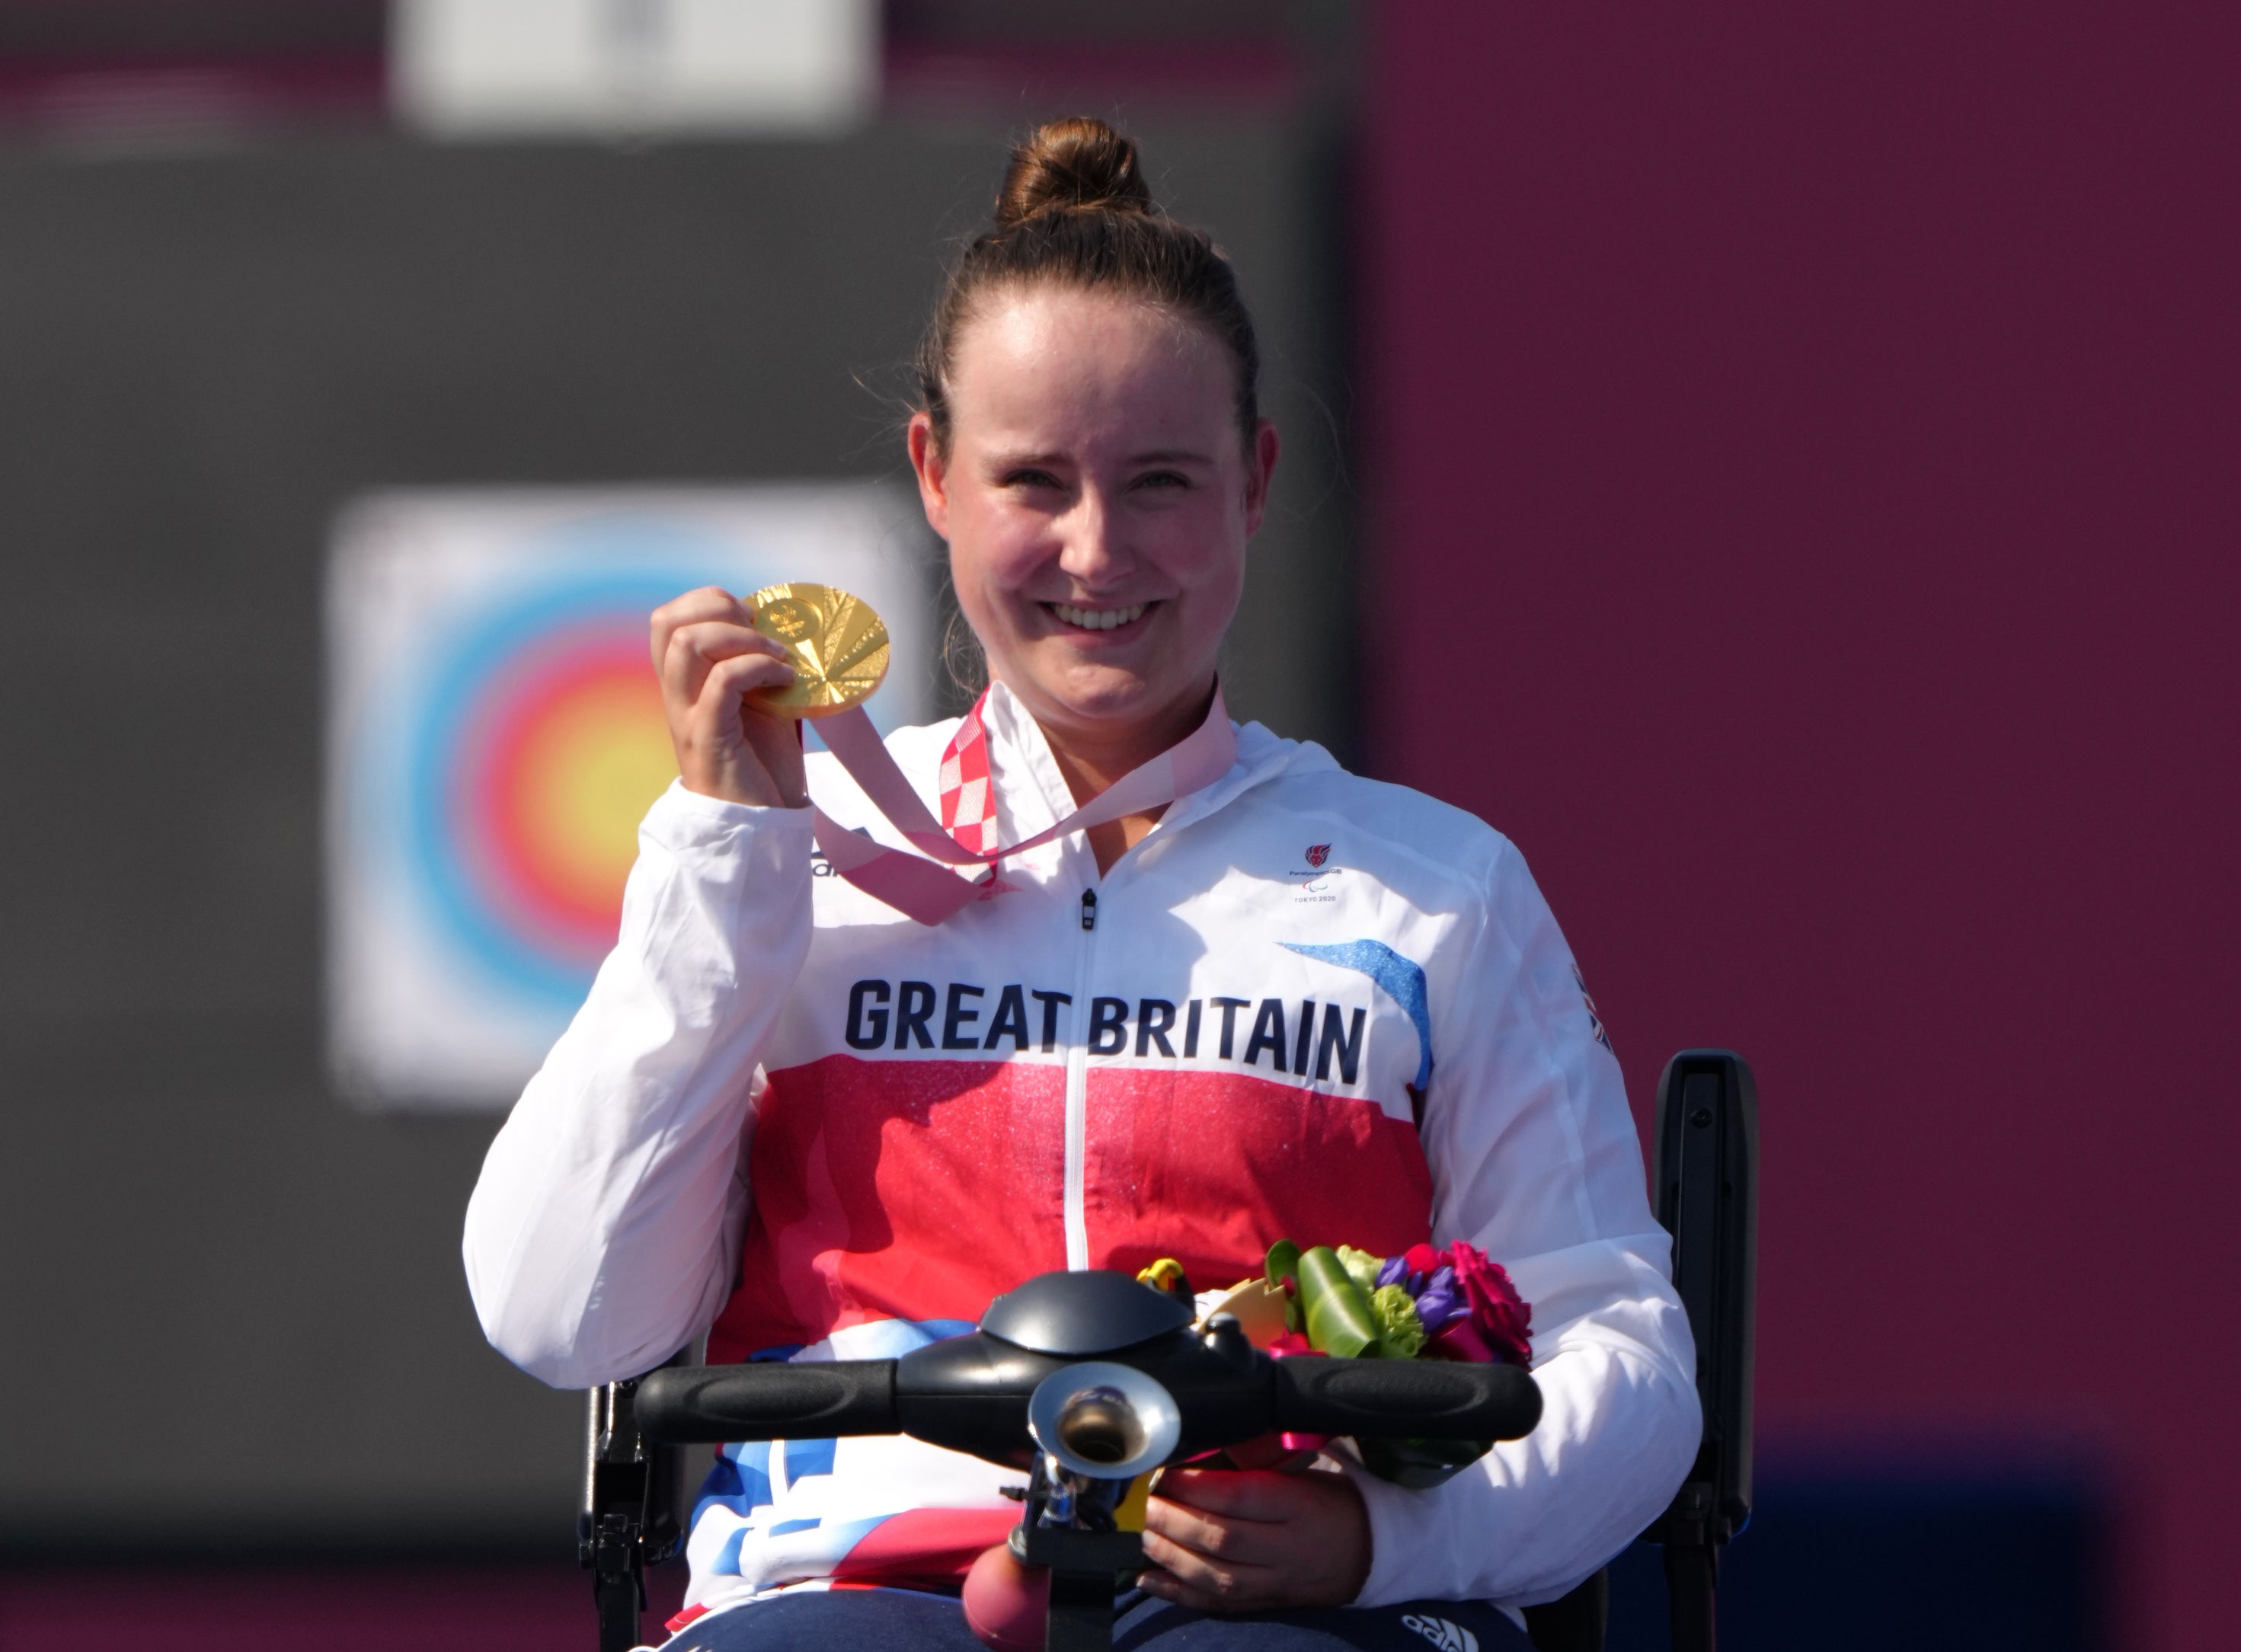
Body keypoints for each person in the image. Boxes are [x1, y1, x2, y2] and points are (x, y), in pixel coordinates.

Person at [464, 117, 1698, 1651]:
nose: (1097, 551)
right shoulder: (791, 849)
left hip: (1286, 1603)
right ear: (932, 473)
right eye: (1033, 478)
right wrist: (717, 862)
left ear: (1256, 481)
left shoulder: (1432, 887)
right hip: (848, 1588)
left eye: (1161, 478)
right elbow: (560, 1313)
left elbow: (1622, 1361)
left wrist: (1383, 1536)